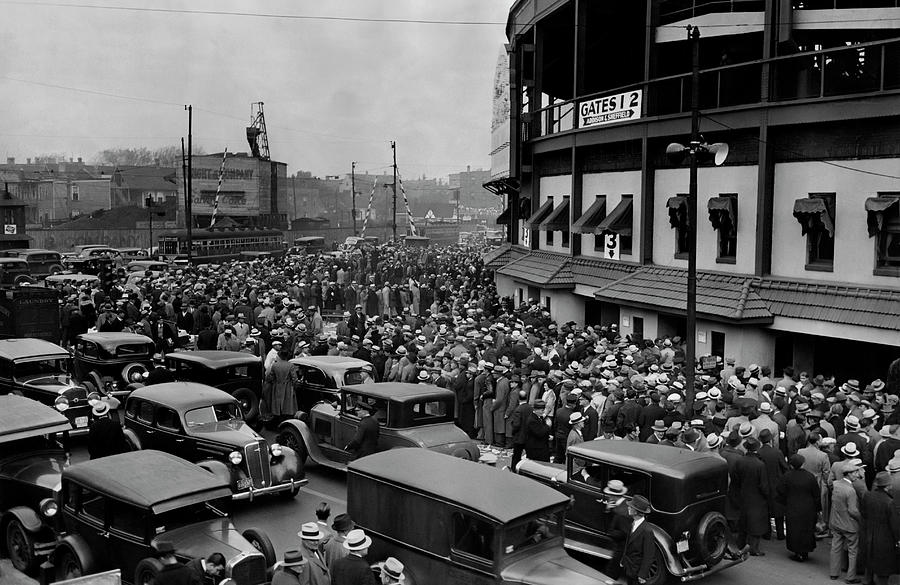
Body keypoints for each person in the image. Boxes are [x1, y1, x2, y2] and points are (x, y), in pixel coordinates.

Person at [776, 454, 820, 562]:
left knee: (794, 529)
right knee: (806, 529)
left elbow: (780, 491)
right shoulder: (810, 476)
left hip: (792, 507)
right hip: (808, 508)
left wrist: (785, 502)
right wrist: (818, 509)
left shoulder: (787, 476)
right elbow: (816, 494)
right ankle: (804, 551)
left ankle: (797, 551)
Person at [732, 437, 769, 556]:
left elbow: (735, 479)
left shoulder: (740, 461)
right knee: (756, 524)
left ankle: (740, 543)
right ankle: (753, 548)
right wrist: (767, 495)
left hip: (743, 495)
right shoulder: (760, 465)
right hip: (757, 497)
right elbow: (763, 485)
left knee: (743, 521)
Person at [862, 472, 899, 585]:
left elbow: (863, 513)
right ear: (888, 485)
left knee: (870, 560)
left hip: (869, 532)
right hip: (885, 538)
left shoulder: (868, 495)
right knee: (884, 567)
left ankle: (867, 580)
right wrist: (898, 539)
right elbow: (895, 524)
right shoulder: (889, 502)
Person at [830, 460, 862, 583]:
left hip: (836, 522)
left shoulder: (836, 484)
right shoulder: (851, 491)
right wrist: (861, 519)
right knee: (853, 551)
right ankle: (850, 577)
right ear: (848, 474)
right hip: (849, 525)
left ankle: (834, 572)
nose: (857, 475)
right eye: (855, 472)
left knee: (835, 547)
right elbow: (853, 510)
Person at [620, 495, 655, 585]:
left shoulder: (647, 530)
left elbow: (649, 555)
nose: (628, 507)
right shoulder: (633, 524)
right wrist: (623, 560)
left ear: (636, 511)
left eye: (630, 507)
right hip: (629, 568)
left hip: (637, 572)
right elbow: (628, 544)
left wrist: (642, 575)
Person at [602, 480, 631, 578]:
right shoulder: (626, 503)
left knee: (611, 572)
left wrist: (611, 533)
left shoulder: (621, 512)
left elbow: (624, 532)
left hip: (621, 547)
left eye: (609, 495)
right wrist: (608, 510)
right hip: (623, 546)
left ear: (613, 496)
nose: (609, 497)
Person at [264, 349, 299, 421]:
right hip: (288, 387)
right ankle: (286, 417)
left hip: (277, 386)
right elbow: (294, 378)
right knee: (287, 403)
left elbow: (270, 377)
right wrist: (295, 387)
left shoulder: (275, 365)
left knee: (277, 402)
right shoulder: (290, 365)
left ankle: (278, 417)